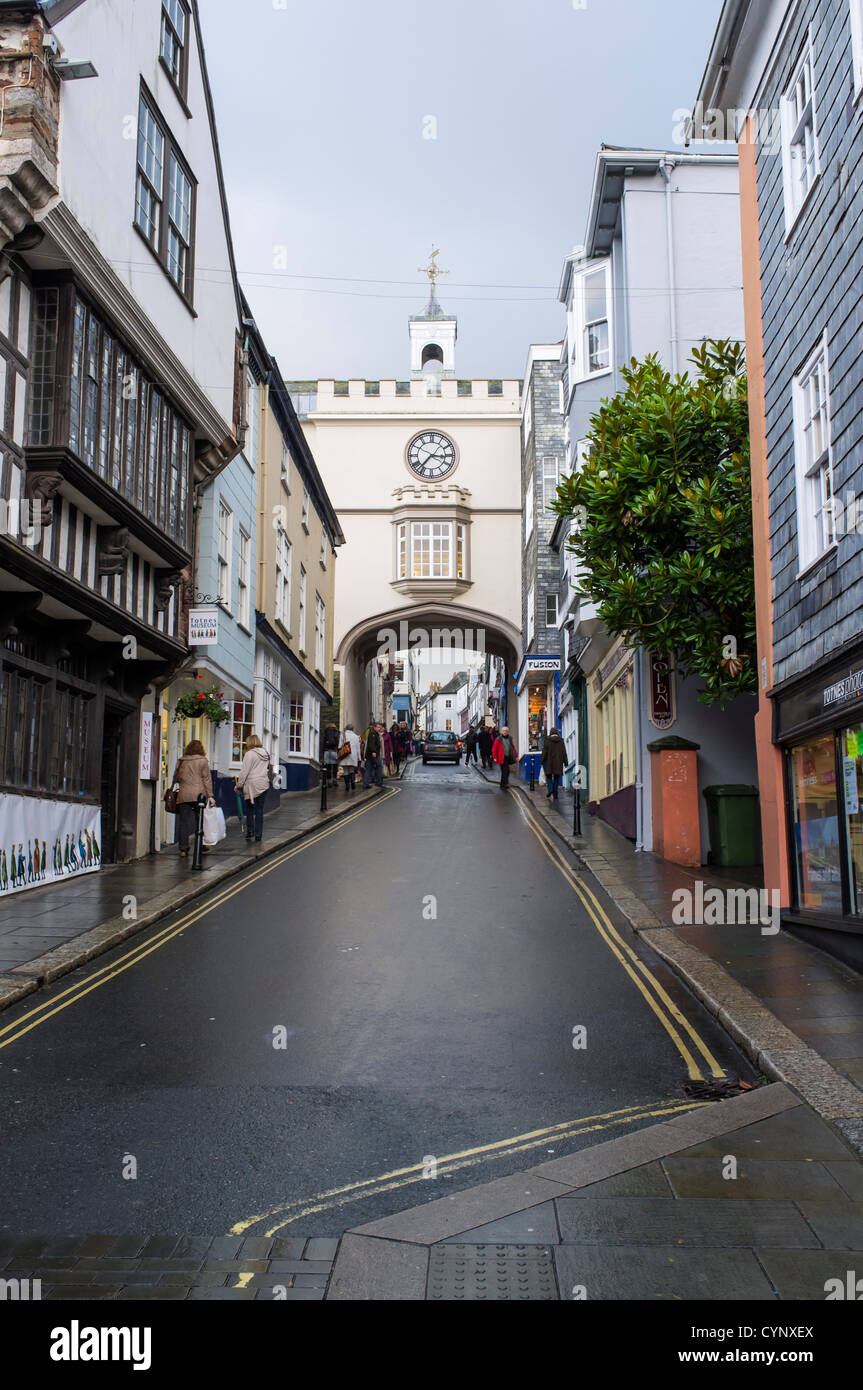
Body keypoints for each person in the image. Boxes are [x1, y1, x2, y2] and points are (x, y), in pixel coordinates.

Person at [170, 739, 216, 857]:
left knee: (183, 822)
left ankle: (183, 849)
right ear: (201, 749)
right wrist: (210, 796)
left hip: (184, 794)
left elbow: (176, 777)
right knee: (200, 820)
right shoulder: (203, 761)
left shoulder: (181, 761)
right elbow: (207, 779)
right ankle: (201, 844)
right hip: (199, 795)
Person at [235, 734, 271, 842]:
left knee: (250, 808)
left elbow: (244, 772)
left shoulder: (249, 754)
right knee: (259, 810)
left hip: (251, 784)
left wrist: (238, 785)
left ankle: (250, 830)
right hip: (263, 783)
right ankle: (259, 834)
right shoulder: (266, 753)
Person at [541, 727, 566, 802]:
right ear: (557, 733)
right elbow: (563, 752)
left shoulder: (547, 740)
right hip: (558, 762)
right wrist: (566, 762)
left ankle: (550, 789)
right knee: (556, 778)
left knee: (548, 776)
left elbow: (544, 752)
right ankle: (555, 795)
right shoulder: (561, 741)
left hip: (548, 762)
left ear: (550, 733)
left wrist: (541, 761)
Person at [492, 725, 517, 791]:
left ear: (508, 732)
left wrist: (516, 754)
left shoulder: (510, 738)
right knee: (505, 770)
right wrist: (495, 757)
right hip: (501, 757)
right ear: (501, 732)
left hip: (508, 756)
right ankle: (505, 784)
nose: (505, 732)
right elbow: (494, 749)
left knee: (505, 771)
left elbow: (512, 746)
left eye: (506, 731)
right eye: (503, 731)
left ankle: (503, 784)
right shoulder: (498, 739)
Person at [363, 722, 384, 788]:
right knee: (379, 766)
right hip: (373, 754)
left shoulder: (376, 734)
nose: (379, 728)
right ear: (374, 727)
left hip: (370, 755)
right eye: (378, 727)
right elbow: (371, 744)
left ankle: (365, 784)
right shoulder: (372, 734)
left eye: (380, 727)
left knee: (368, 769)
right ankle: (378, 782)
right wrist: (373, 752)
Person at [342, 723, 362, 791]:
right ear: (353, 729)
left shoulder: (342, 735)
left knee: (345, 771)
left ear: (346, 728)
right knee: (351, 770)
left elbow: (339, 745)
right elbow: (358, 747)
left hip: (345, 754)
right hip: (353, 755)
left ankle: (347, 786)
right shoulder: (356, 736)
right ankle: (353, 783)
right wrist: (359, 757)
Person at [322, 722, 341, 787]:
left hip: (327, 751)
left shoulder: (325, 732)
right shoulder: (337, 732)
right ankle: (335, 780)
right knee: (335, 767)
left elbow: (323, 743)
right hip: (334, 751)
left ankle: (329, 782)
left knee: (328, 767)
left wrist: (323, 751)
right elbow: (338, 742)